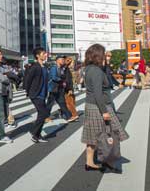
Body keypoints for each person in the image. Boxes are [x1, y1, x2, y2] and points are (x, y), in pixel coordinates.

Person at [81, 44, 128, 173]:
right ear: (98, 55)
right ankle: (109, 161)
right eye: (103, 54)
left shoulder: (89, 68)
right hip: (99, 106)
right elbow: (98, 93)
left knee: (93, 136)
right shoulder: (96, 71)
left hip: (91, 105)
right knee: (110, 133)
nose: (105, 57)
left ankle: (89, 162)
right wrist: (104, 111)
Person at [23, 47, 50, 143]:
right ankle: (34, 133)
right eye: (43, 53)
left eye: (45, 53)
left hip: (43, 94)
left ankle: (37, 134)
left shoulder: (45, 67)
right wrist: (28, 92)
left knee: (42, 114)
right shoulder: (35, 67)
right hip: (36, 94)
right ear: (38, 55)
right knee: (44, 113)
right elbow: (27, 80)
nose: (45, 55)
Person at [46, 56, 73, 122]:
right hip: (53, 88)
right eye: (61, 60)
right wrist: (62, 81)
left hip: (60, 88)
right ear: (57, 60)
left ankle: (69, 116)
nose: (63, 61)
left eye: (63, 60)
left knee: (62, 102)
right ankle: (45, 117)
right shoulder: (54, 68)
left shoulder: (61, 68)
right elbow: (54, 77)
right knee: (50, 103)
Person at [64, 57, 79, 122]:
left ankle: (74, 115)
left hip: (69, 88)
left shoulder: (69, 69)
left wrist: (70, 89)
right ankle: (71, 114)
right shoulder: (71, 69)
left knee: (69, 102)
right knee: (71, 102)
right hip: (71, 87)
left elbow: (69, 80)